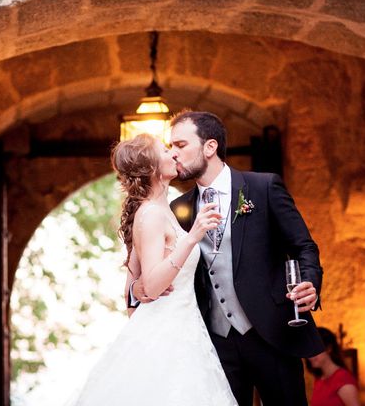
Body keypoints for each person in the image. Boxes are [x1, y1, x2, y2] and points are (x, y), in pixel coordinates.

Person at [130, 111, 325, 406]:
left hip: (271, 333)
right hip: (213, 343)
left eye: (180, 145)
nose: (173, 154)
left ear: (210, 147)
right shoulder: (177, 209)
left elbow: (304, 247)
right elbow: (153, 263)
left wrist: (310, 281)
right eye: (170, 147)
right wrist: (137, 289)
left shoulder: (264, 187)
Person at [68, 133, 238, 405]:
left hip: (184, 331)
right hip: (166, 336)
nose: (173, 154)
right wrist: (194, 236)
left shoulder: (161, 210)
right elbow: (153, 284)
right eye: (166, 150)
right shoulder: (150, 214)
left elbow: (131, 289)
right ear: (151, 169)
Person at [306, 327, 360, 406]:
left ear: (329, 348)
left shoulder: (342, 378)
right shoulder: (320, 378)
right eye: (309, 351)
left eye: (315, 350)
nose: (310, 356)